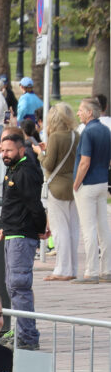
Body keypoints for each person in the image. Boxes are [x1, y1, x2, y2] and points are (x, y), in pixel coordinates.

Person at [0, 133, 47, 350]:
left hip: (22, 235)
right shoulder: (15, 168)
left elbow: (33, 204)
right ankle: (23, 330)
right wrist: (6, 228)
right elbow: (14, 204)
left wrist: (39, 228)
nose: (4, 155)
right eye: (2, 150)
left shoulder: (24, 171)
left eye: (9, 151)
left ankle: (27, 336)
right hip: (13, 232)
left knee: (19, 286)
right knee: (13, 286)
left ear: (21, 150)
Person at [72, 98, 111, 283]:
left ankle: (91, 271)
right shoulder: (105, 129)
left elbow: (84, 162)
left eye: (81, 110)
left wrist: (76, 183)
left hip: (87, 184)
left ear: (89, 113)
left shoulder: (88, 132)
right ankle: (107, 269)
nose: (78, 113)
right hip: (102, 181)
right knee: (103, 227)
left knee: (89, 228)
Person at [40, 104, 80, 281]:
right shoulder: (76, 135)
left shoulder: (55, 137)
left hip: (56, 186)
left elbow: (49, 164)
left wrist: (39, 153)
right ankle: (72, 268)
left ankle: (62, 269)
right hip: (73, 185)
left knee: (59, 229)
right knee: (73, 229)